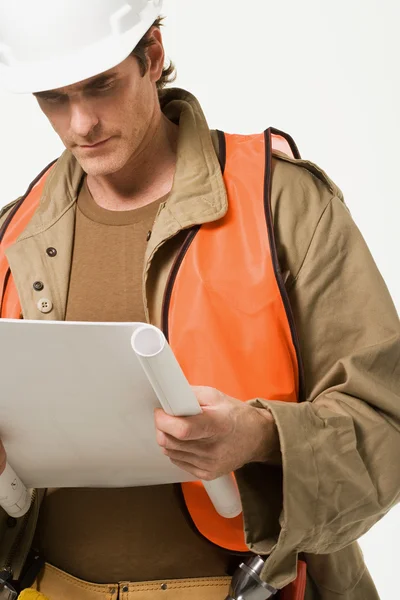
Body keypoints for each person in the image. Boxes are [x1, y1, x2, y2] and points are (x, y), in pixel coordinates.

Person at [0, 1, 398, 599]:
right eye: (54, 97)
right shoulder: (15, 236)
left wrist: (261, 434)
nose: (80, 123)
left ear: (152, 56)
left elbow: (386, 426)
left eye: (100, 85)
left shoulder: (284, 206)